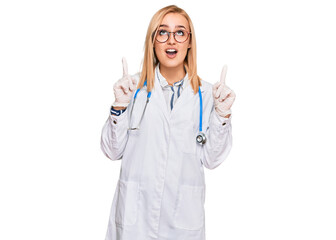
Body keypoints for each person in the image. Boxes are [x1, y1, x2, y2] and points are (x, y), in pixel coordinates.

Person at [100, 4, 236, 240]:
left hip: (183, 221)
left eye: (180, 32)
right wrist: (119, 107)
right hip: (135, 222)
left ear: (189, 41)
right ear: (152, 40)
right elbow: (112, 151)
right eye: (162, 32)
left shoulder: (207, 95)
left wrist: (222, 116)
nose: (171, 40)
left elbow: (212, 159)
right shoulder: (131, 88)